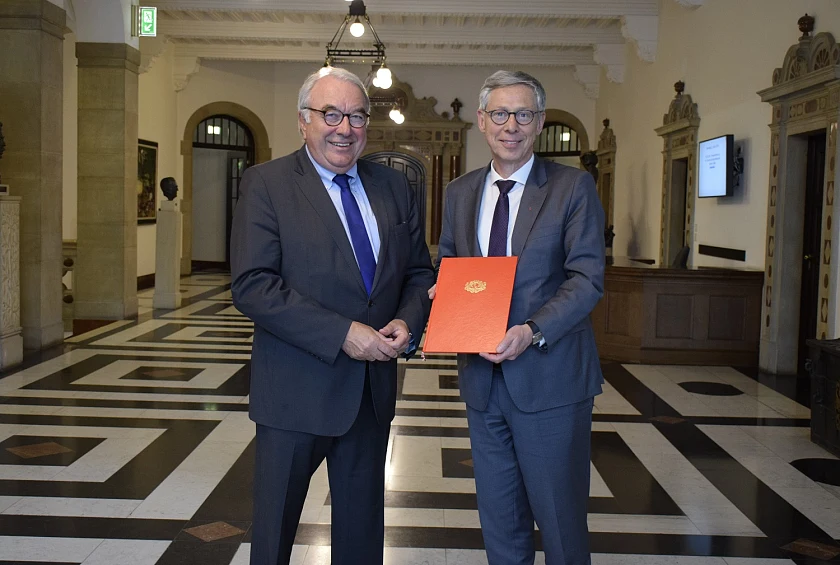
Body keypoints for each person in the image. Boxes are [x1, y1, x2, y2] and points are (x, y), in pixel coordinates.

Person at [230, 66, 434, 565]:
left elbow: (418, 272)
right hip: (295, 394)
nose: (345, 127)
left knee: (362, 541)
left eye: (357, 116)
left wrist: (408, 323)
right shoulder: (267, 184)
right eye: (331, 113)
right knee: (274, 537)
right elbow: (253, 286)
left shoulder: (392, 187)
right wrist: (343, 334)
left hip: (369, 395)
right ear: (304, 120)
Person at [433, 70, 604, 565]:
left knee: (560, 519)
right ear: (483, 122)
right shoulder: (461, 192)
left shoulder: (573, 187)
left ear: (540, 122)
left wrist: (532, 331)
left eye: (524, 114)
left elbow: (587, 278)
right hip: (483, 385)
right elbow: (451, 264)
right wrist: (439, 293)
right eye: (501, 114)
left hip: (550, 381)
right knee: (500, 519)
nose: (512, 125)